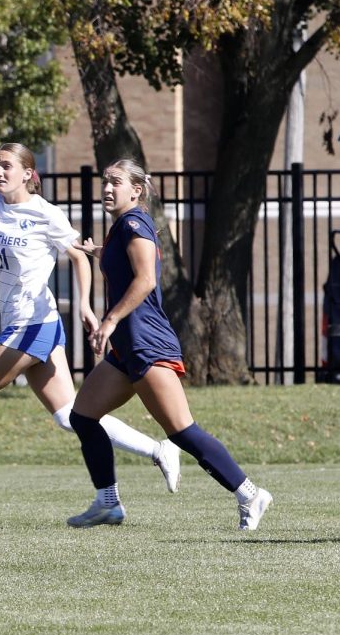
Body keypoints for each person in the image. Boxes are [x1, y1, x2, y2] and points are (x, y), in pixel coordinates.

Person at [0, 143, 179, 510]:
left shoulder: (44, 214)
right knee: (69, 415)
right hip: (30, 325)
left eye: (7, 166)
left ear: (27, 173)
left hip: (33, 322)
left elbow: (80, 257)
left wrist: (85, 305)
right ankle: (157, 449)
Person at [66, 158, 272, 529]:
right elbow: (125, 264)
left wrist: (110, 320)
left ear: (136, 190)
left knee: (181, 431)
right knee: (82, 416)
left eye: (115, 182)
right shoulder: (121, 228)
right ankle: (107, 502)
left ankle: (250, 493)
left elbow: (145, 279)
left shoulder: (133, 223)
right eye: (105, 182)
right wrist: (95, 251)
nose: (107, 188)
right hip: (127, 350)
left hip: (147, 343)